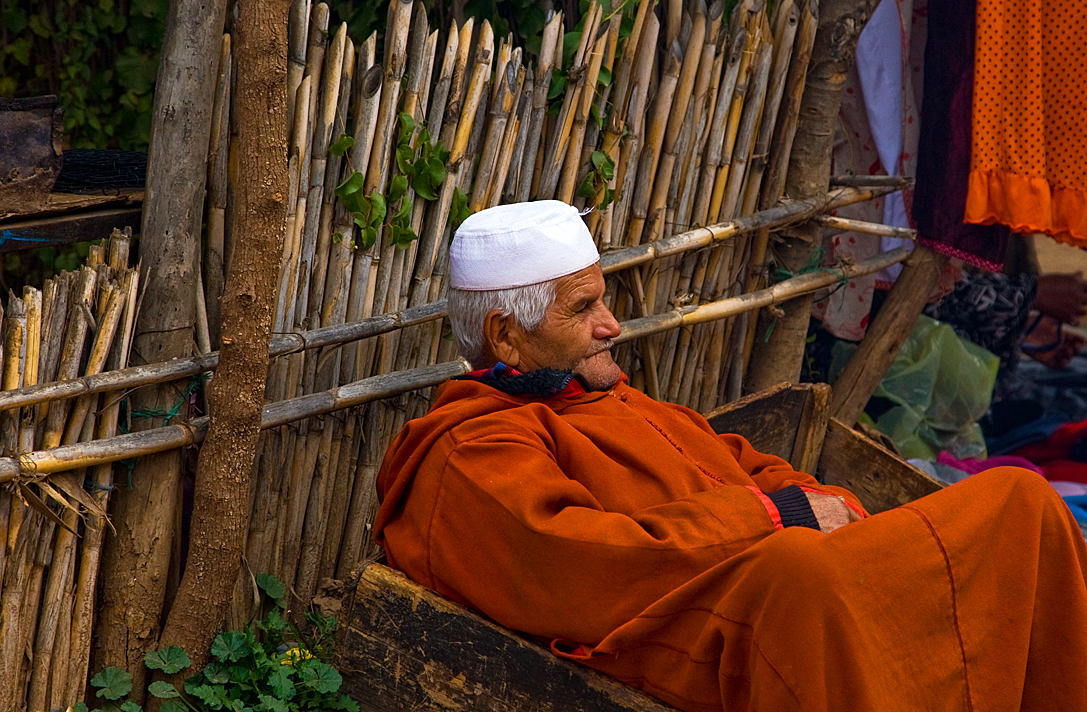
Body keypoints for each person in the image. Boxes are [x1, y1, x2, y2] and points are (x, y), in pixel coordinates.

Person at [374, 201, 1087, 712]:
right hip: (691, 630)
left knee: (1018, 502)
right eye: (581, 308)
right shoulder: (474, 448)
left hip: (779, 577)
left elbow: (747, 465)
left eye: (605, 298)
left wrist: (817, 506)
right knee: (798, 569)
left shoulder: (617, 399)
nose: (610, 323)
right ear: (504, 337)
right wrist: (772, 517)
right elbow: (580, 564)